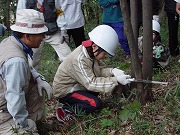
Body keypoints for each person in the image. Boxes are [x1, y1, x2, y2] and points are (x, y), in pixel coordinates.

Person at [53, 25, 131, 124]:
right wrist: (116, 80)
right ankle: (65, 110)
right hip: (66, 91)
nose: (105, 56)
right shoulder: (80, 59)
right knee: (95, 103)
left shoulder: (90, 52)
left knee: (97, 89)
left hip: (78, 85)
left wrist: (113, 71)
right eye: (105, 53)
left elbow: (99, 71)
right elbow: (91, 83)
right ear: (95, 47)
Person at [0, 9, 53, 134]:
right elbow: (15, 96)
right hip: (3, 110)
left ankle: (34, 122)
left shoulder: (10, 42)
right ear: (27, 36)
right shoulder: (16, 62)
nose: (43, 37)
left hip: (4, 101)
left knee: (35, 84)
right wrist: (24, 123)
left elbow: (27, 67)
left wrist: (38, 78)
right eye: (40, 34)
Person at [17, 0, 72, 70]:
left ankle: (72, 75)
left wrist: (63, 30)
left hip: (52, 31)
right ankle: (32, 78)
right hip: (33, 32)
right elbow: (20, 14)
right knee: (32, 60)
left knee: (67, 55)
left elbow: (59, 11)